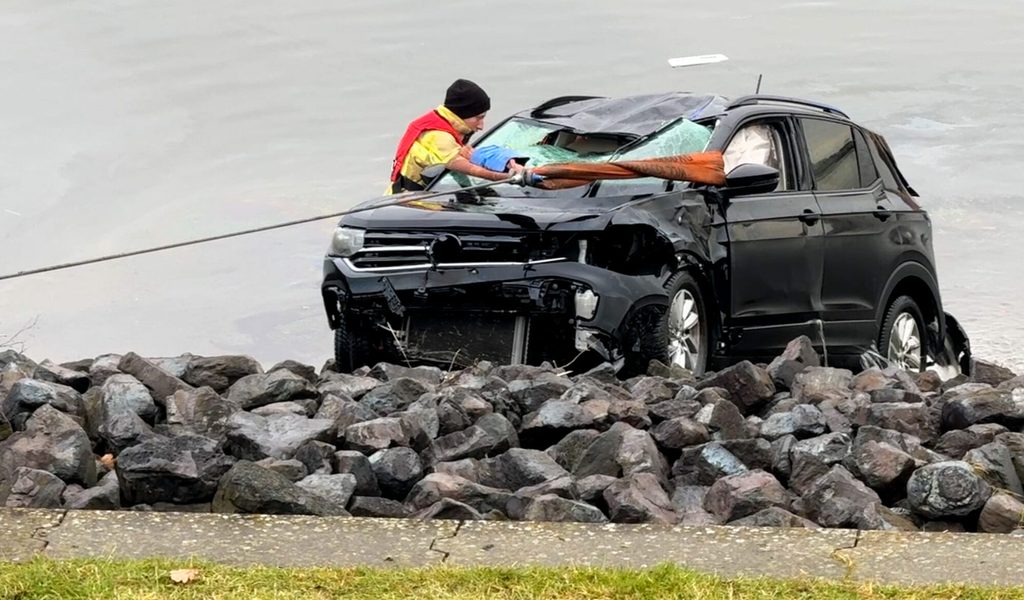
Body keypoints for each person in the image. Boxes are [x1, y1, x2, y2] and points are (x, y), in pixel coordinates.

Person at [389, 79, 523, 193]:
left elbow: (468, 158)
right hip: (410, 203)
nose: (481, 126)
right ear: (463, 114)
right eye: (478, 118)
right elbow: (469, 168)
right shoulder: (439, 137)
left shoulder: (447, 123)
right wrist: (508, 177)